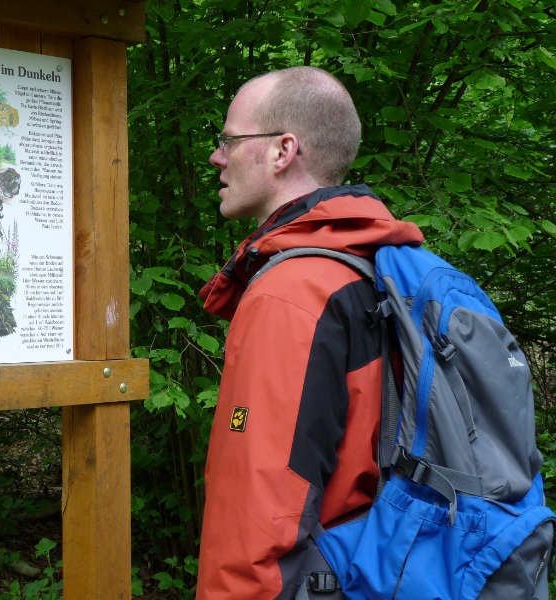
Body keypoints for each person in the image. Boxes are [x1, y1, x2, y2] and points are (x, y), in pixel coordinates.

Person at [195, 66, 424, 599]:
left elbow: (256, 512)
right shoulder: (377, 267)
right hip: (379, 570)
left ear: (282, 151)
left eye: (229, 140)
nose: (217, 156)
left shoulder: (291, 293)